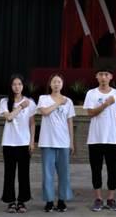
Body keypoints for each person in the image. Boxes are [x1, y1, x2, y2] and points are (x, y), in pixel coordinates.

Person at [83, 68, 116, 212]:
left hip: (112, 138)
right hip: (95, 138)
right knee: (96, 169)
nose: (103, 77)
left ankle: (111, 198)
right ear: (96, 76)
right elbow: (90, 113)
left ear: (111, 76)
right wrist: (106, 104)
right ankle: (98, 198)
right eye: (101, 74)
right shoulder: (91, 93)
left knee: (112, 169)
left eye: (106, 74)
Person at [37, 73, 75, 213]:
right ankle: (49, 201)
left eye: (59, 81)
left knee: (64, 173)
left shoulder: (68, 101)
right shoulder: (43, 98)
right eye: (54, 81)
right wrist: (58, 103)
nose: (56, 84)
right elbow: (45, 112)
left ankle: (62, 200)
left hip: (63, 142)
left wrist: (71, 142)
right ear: (50, 84)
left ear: (62, 84)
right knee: (48, 173)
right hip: (47, 141)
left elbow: (69, 122)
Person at [0, 74, 36, 213]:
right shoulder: (4, 101)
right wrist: (20, 107)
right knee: (9, 173)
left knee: (23, 174)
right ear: (11, 86)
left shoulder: (30, 102)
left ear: (23, 86)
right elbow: (9, 117)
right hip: (9, 142)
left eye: (19, 84)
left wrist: (32, 141)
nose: (17, 87)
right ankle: (10, 201)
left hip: (24, 142)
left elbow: (32, 123)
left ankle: (22, 201)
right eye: (14, 84)